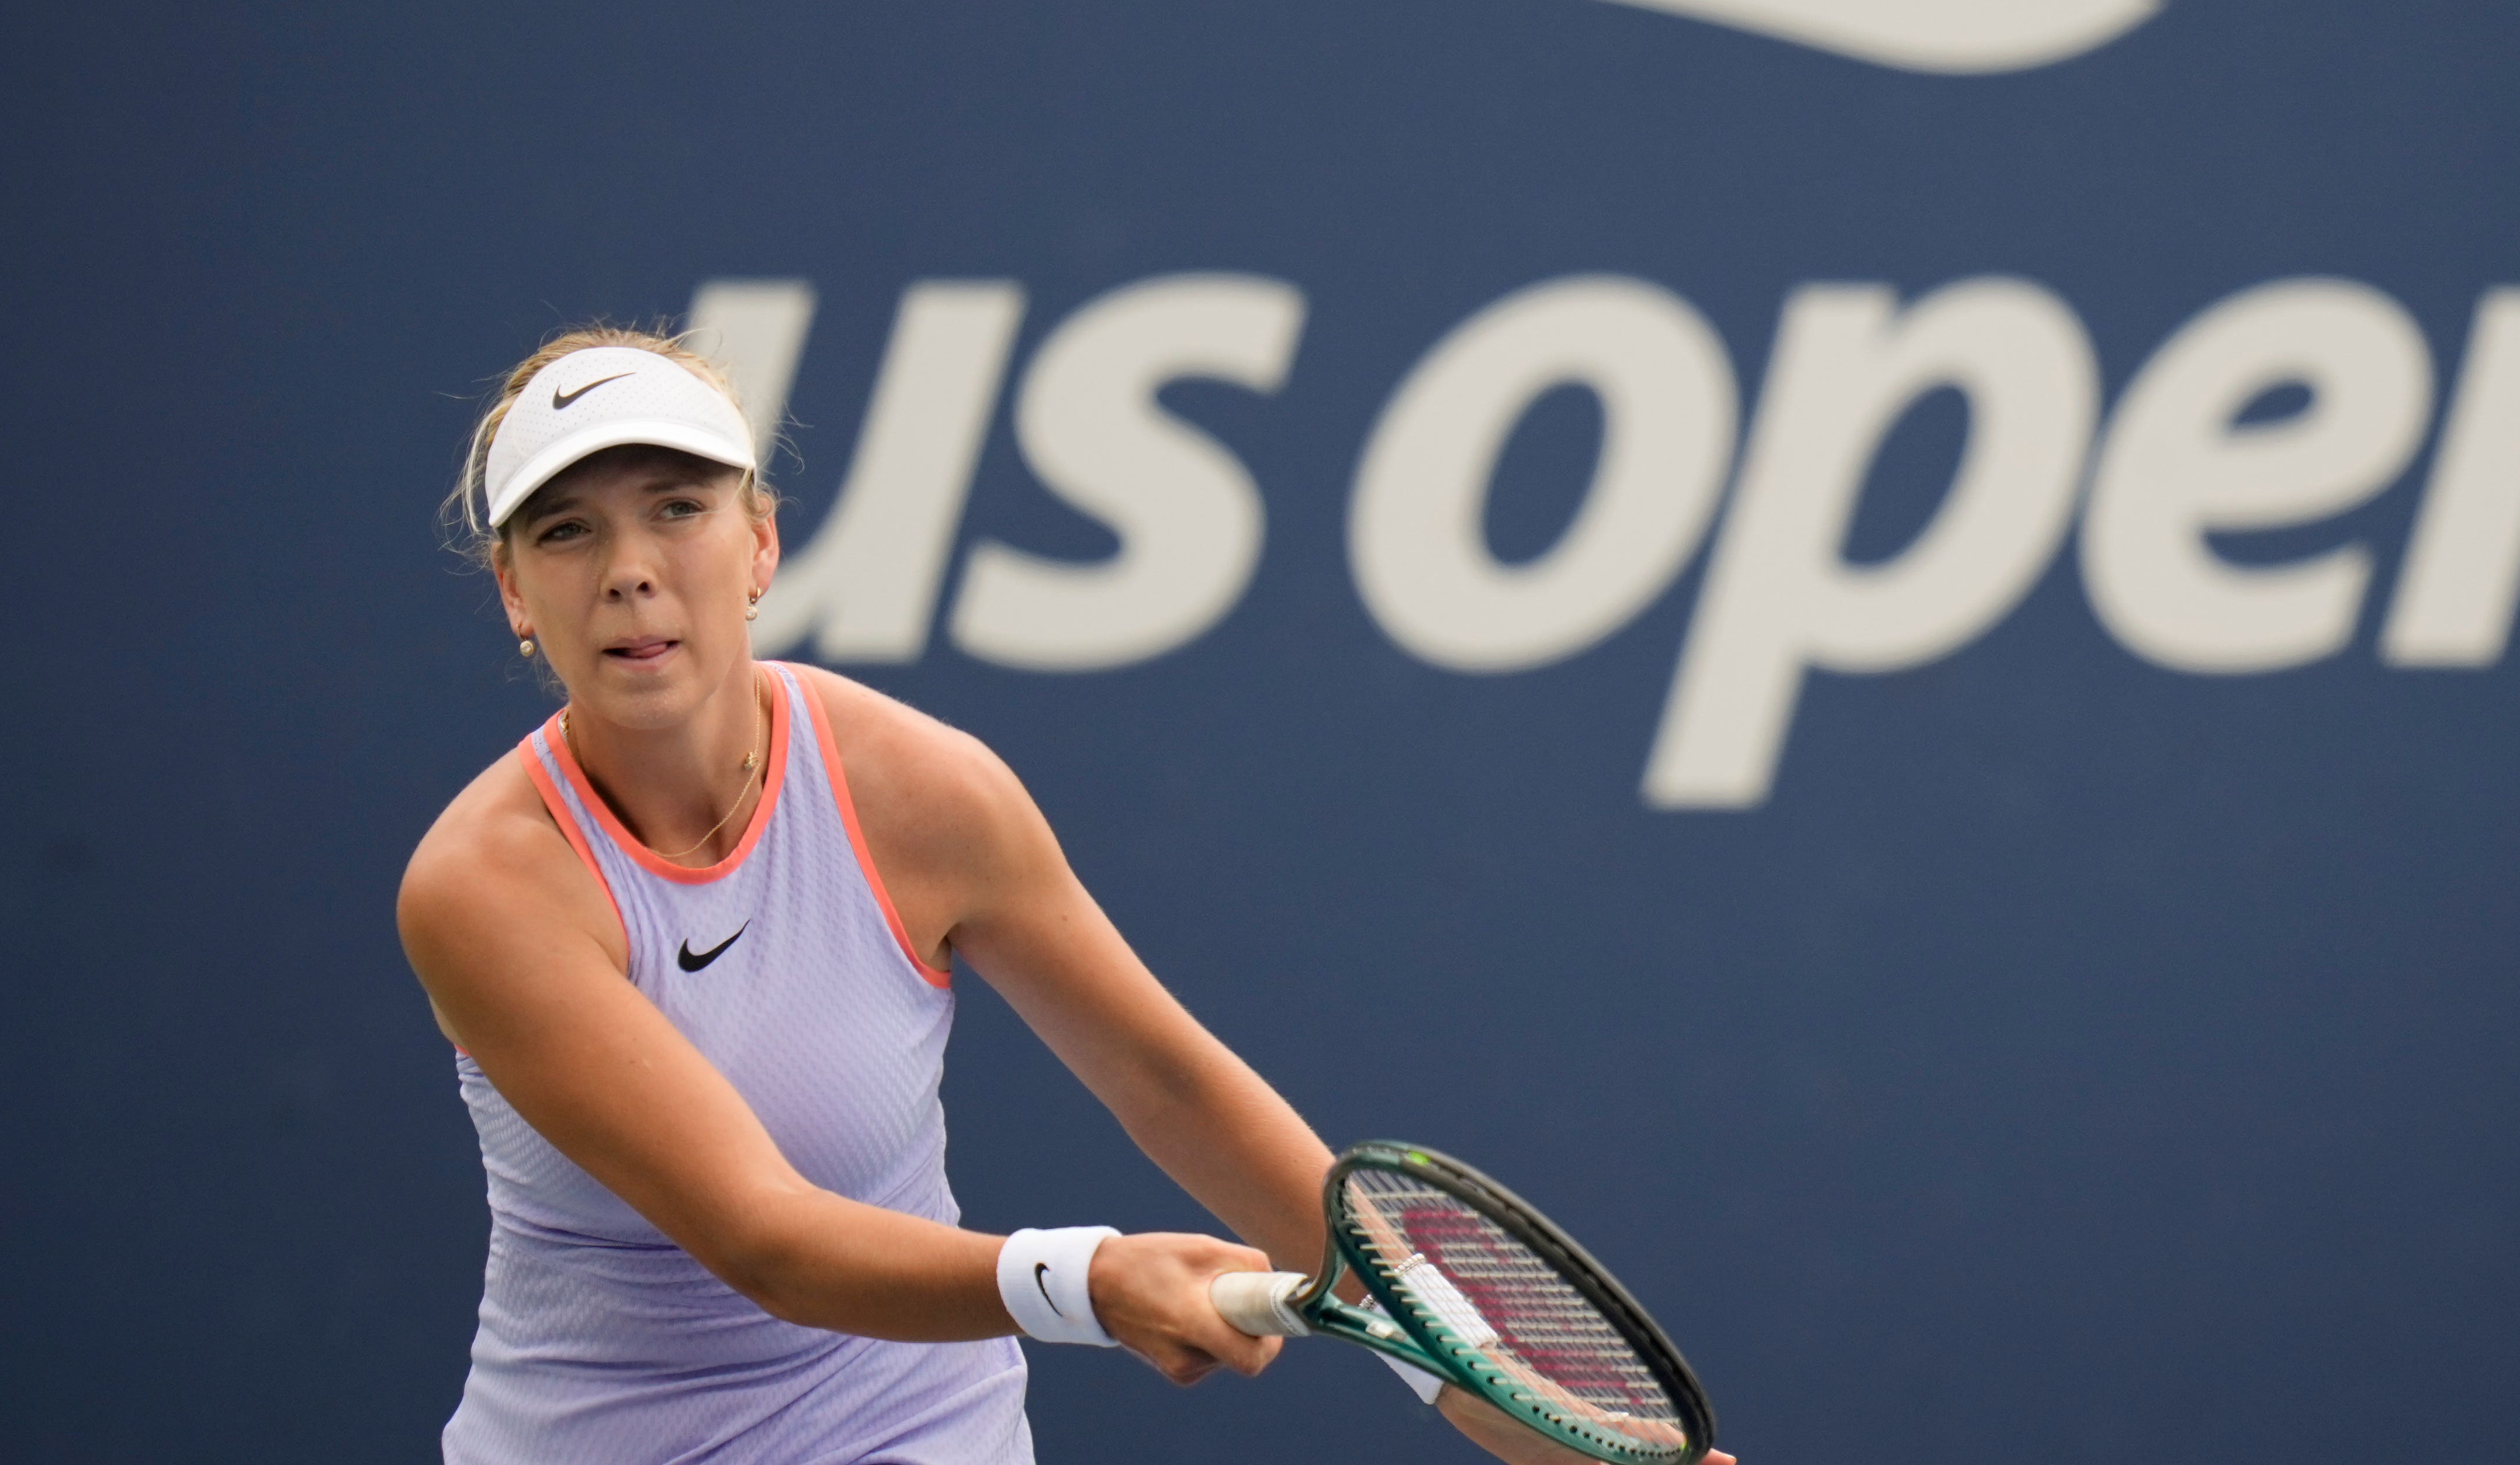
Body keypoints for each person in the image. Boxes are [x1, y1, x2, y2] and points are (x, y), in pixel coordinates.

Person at [400, 329, 1694, 1464]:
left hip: (907, 1429)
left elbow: (1168, 1085)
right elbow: (764, 1236)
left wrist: (1500, 1411)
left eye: (678, 509)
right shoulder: (489, 889)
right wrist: (1087, 1278)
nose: (629, 568)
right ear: (517, 593)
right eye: (567, 531)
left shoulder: (922, 792)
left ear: (760, 546)